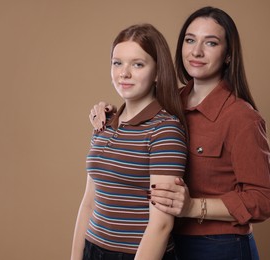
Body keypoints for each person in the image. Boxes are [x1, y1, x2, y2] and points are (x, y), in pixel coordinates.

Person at [89, 6, 270, 260]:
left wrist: (193, 206)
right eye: (190, 40)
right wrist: (109, 112)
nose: (196, 51)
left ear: (228, 55)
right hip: (170, 244)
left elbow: (264, 199)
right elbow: (136, 104)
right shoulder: (171, 102)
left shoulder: (241, 117)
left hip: (219, 247)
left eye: (210, 43)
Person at [70, 23, 188, 260]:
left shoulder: (165, 130)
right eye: (117, 63)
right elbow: (89, 203)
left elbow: (161, 225)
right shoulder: (103, 122)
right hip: (93, 249)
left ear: (156, 73)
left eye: (138, 64)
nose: (124, 73)